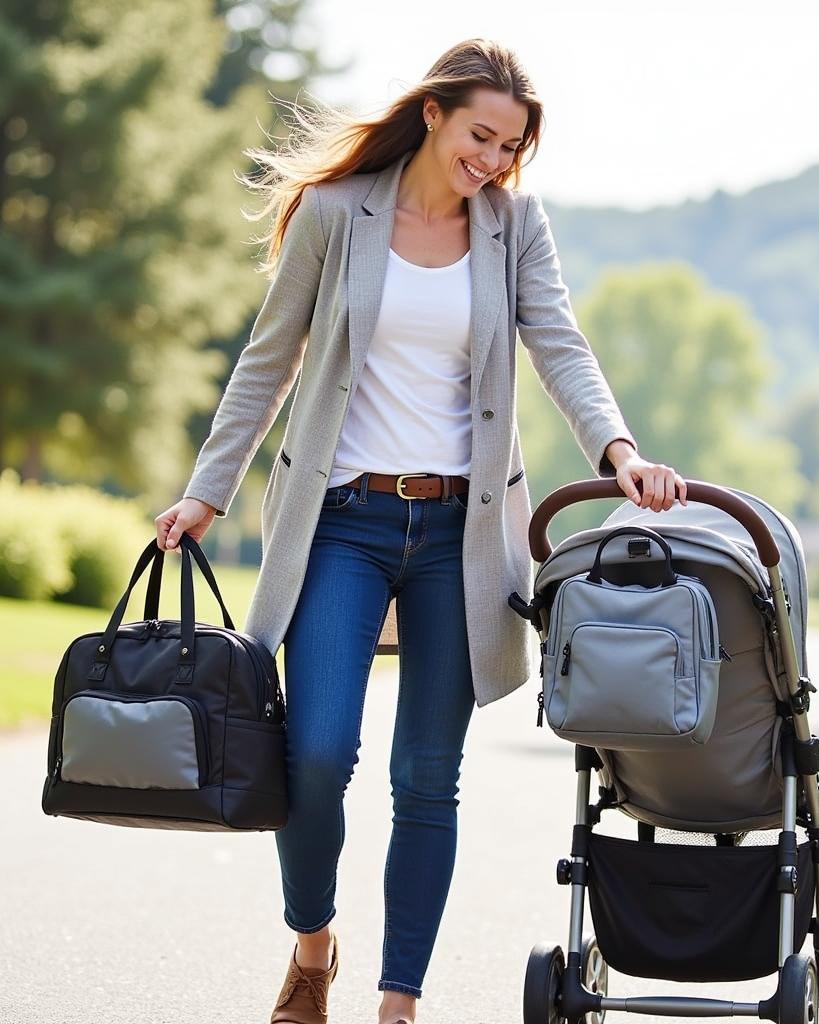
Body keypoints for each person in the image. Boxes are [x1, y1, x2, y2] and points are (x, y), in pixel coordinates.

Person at [153, 37, 687, 1024]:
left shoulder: (514, 226)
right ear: (434, 114)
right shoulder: (333, 215)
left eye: (510, 146)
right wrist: (206, 489)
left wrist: (617, 452)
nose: (491, 159)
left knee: (425, 779)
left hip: (462, 534)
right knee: (313, 753)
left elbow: (560, 345)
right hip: (341, 523)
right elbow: (266, 364)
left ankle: (399, 1004)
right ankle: (314, 946)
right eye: (480, 135)